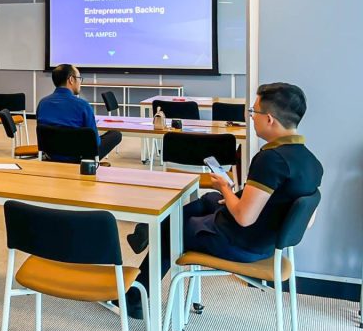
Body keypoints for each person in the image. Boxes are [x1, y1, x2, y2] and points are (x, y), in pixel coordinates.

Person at [119, 82, 324, 319]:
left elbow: (244, 218)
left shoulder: (271, 160)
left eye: (253, 112)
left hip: (241, 243)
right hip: (265, 241)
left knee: (172, 229)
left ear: (269, 119)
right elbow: (304, 220)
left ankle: (135, 297)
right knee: (211, 198)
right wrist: (228, 196)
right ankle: (145, 233)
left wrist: (227, 188)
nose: (251, 118)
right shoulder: (311, 162)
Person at [36, 64, 121, 161]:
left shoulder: (42, 103)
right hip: (80, 158)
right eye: (79, 78)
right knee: (115, 134)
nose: (80, 82)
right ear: (71, 80)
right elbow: (95, 142)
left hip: (52, 155)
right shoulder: (83, 105)